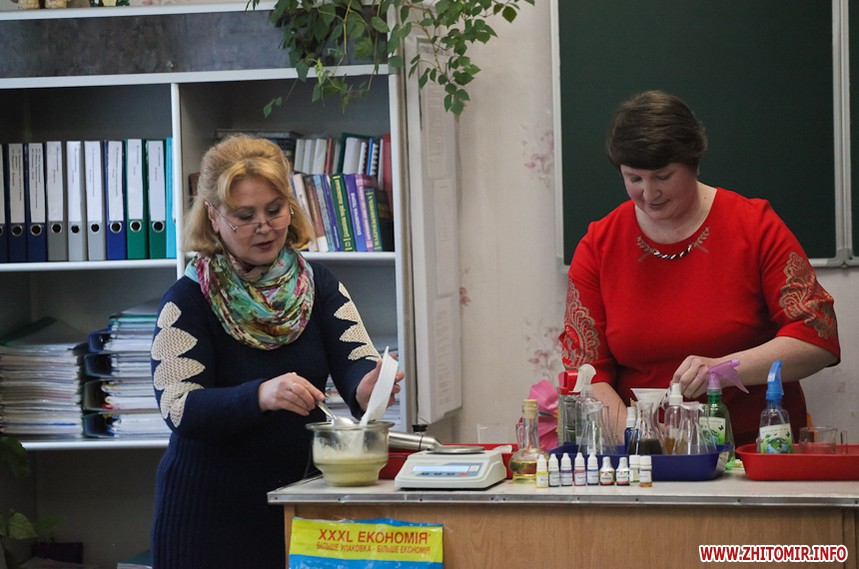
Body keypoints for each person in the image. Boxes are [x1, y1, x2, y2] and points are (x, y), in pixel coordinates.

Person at [149, 135, 402, 568]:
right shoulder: (186, 300)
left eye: (274, 209)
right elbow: (179, 407)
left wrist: (367, 386)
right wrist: (259, 395)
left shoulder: (318, 285)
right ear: (213, 216)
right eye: (244, 216)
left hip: (300, 507)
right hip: (208, 520)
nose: (264, 226)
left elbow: (355, 360)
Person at [560, 90, 840, 447]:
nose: (649, 193)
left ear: (694, 163)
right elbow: (587, 372)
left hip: (753, 450)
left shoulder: (754, 226)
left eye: (663, 176)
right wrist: (644, 441)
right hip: (643, 451)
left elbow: (817, 338)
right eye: (634, 179)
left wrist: (723, 369)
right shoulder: (599, 244)